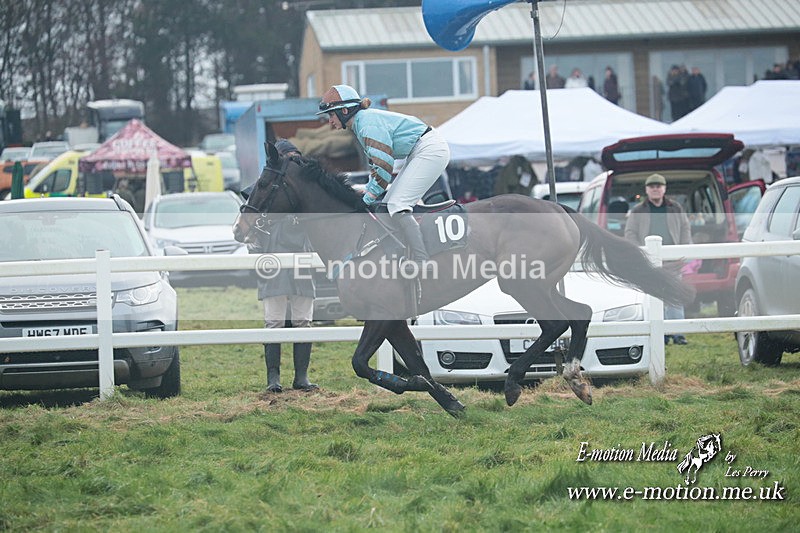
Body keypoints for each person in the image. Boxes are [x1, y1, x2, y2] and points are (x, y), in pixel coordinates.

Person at [316, 84, 450, 275]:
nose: (330, 121)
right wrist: (368, 190)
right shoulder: (362, 123)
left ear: (344, 111)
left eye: (331, 115)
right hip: (421, 149)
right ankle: (403, 254)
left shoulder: (366, 124)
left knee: (397, 204)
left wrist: (367, 198)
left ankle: (422, 260)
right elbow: (377, 166)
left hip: (430, 149)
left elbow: (385, 167)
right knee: (387, 206)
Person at [243, 138, 318, 393]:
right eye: (290, 159)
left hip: (302, 260)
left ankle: (301, 376)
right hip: (273, 260)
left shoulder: (306, 191)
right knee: (274, 321)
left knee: (303, 320)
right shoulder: (267, 188)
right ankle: (273, 378)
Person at [624, 173, 692, 345]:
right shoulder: (638, 210)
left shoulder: (676, 207)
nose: (655, 189)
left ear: (664, 189)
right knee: (654, 296)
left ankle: (678, 333)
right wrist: (640, 253)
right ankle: (660, 334)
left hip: (673, 261)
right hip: (649, 261)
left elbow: (685, 229)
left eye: (658, 186)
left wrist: (683, 250)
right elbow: (630, 233)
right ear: (647, 190)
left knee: (674, 295)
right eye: (652, 186)